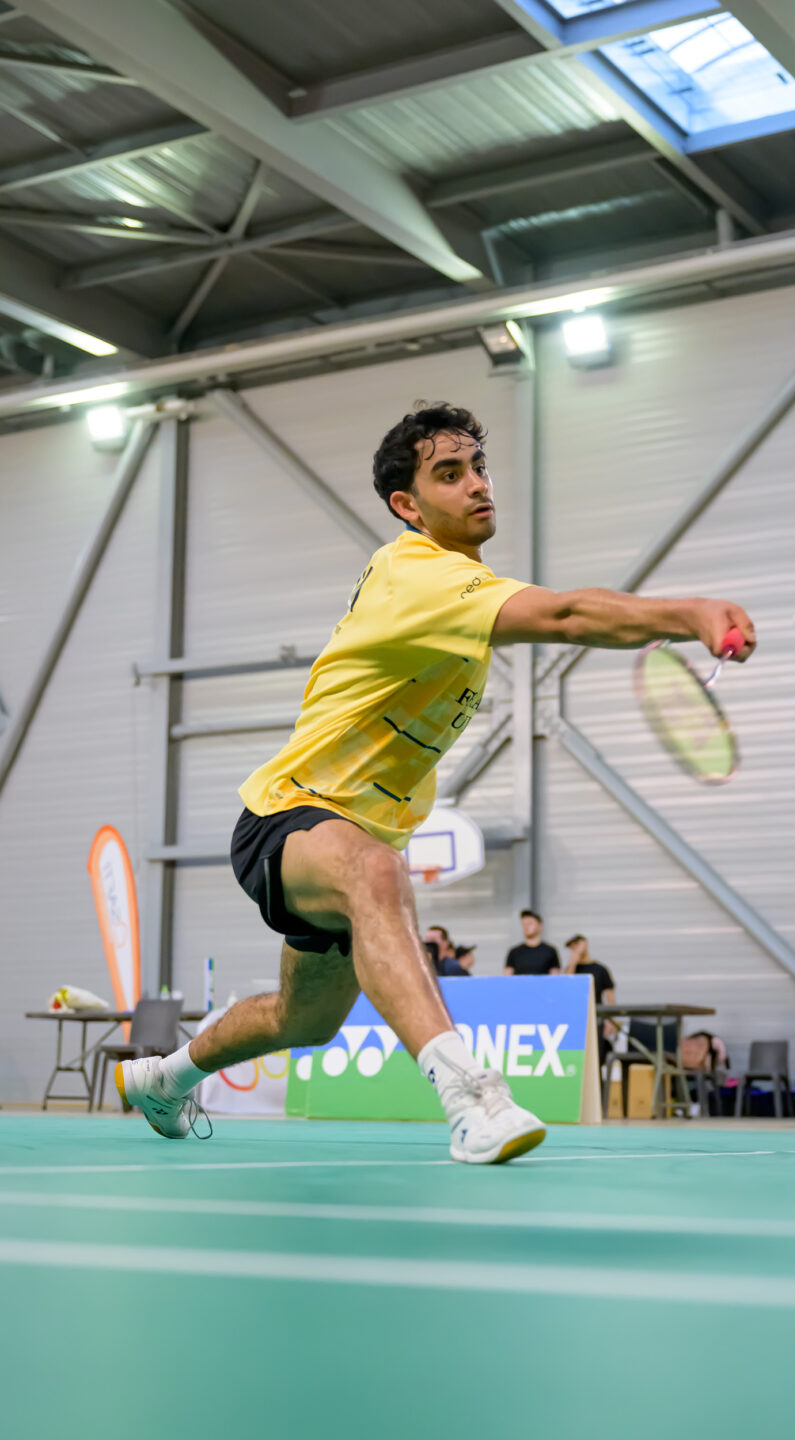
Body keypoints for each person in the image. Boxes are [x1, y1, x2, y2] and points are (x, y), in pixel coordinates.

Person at [116, 401, 756, 1164]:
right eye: (449, 474)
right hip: (287, 817)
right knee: (376, 872)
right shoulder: (416, 573)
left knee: (302, 1019)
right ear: (408, 505)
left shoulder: (459, 587)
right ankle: (471, 1099)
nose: (477, 484)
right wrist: (688, 611)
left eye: (478, 467)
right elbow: (565, 616)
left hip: (351, 837)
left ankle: (165, 1078)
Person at [564, 933, 617, 1067]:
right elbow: (566, 986)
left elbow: (610, 998)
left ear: (585, 944)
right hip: (575, 1019)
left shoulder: (600, 969)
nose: (574, 949)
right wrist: (573, 962)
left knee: (596, 1057)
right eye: (572, 947)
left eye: (577, 945)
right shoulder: (571, 969)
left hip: (596, 1019)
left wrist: (611, 1021)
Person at [504, 910, 560, 976]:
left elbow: (555, 978)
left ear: (540, 926)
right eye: (523, 924)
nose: (526, 927)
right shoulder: (514, 952)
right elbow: (507, 977)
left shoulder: (550, 951)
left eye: (529, 923)